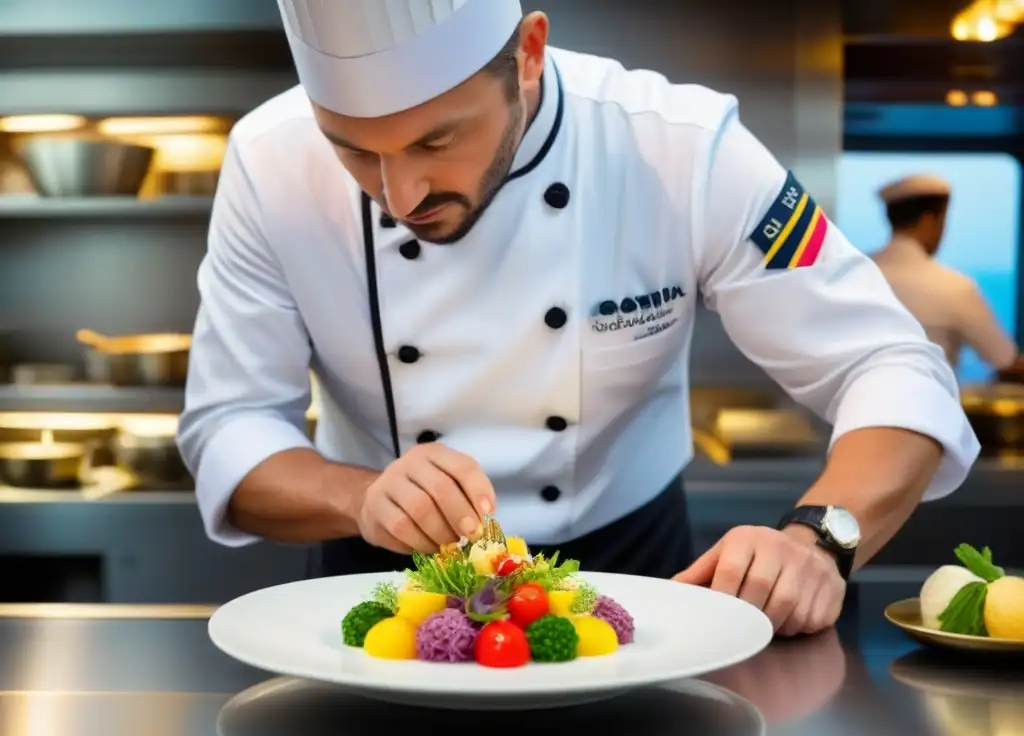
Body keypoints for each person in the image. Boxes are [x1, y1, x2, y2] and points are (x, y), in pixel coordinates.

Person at [176, 0, 980, 637]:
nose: (399, 196)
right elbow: (230, 427)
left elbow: (891, 367)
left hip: (634, 577)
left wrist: (820, 541)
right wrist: (360, 498)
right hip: (383, 588)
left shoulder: (683, 149)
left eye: (436, 140)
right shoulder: (269, 159)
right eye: (352, 150)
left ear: (527, 56)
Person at [872, 174, 1022, 375]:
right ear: (929, 220)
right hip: (928, 404)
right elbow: (1004, 359)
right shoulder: (954, 287)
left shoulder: (850, 275)